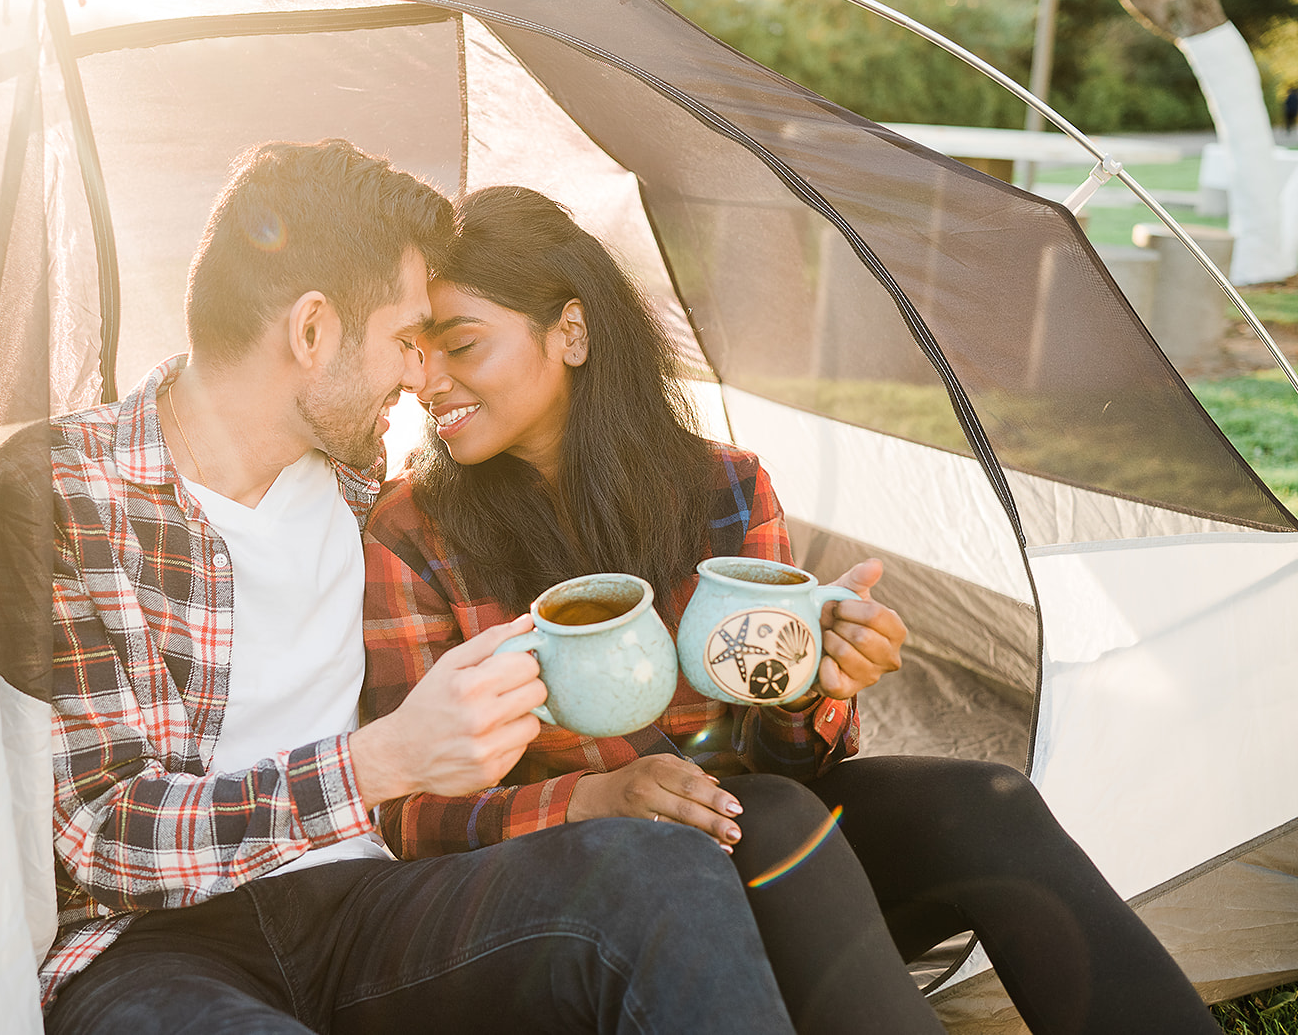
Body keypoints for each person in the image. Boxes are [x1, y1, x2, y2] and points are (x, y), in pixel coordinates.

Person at [362, 185, 1223, 1035]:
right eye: (415, 352)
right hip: (584, 906)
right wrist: (593, 800)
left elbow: (786, 754)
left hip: (776, 864)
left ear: (573, 333)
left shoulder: (722, 489)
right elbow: (406, 815)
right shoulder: (412, 535)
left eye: (461, 346)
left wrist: (819, 679)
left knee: (982, 801)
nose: (427, 382)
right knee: (769, 819)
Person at [7, 138, 818, 1035]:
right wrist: (383, 759)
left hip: (369, 907)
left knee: (660, 873)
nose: (418, 376)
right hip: (151, 947)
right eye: (404, 340)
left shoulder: (356, 477)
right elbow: (101, 836)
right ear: (312, 332)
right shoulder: (61, 493)